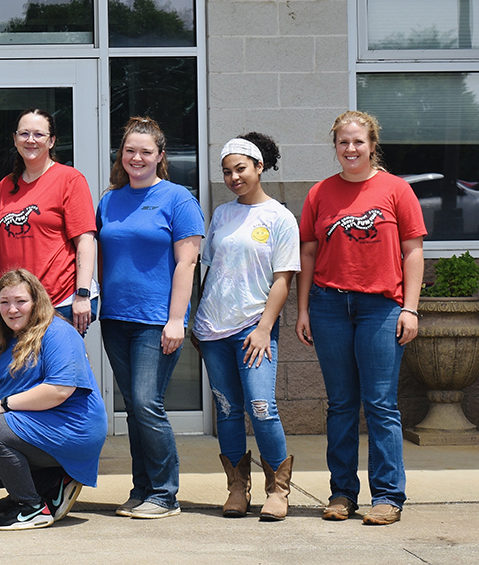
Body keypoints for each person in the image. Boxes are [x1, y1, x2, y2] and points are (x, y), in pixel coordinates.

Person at [295, 111, 425, 526]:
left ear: (372, 145)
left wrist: (411, 308)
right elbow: (309, 254)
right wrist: (302, 309)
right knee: (341, 405)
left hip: (381, 307)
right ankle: (342, 493)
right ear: (335, 146)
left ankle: (387, 496)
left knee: (381, 404)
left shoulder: (396, 190)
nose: (350, 149)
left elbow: (413, 252)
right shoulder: (320, 193)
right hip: (329, 305)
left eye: (358, 142)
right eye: (342, 143)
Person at [96, 116, 204, 520]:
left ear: (160, 156)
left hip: (156, 319)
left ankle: (164, 493)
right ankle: (141, 488)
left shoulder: (178, 199)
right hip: (116, 319)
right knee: (136, 408)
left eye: (145, 151)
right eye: (129, 151)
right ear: (120, 155)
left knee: (146, 402)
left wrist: (176, 320)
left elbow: (186, 264)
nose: (136, 157)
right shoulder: (110, 199)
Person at [193, 133, 299, 520]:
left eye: (241, 169)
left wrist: (264, 327)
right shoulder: (222, 214)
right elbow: (209, 271)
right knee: (227, 409)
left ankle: (278, 488)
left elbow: (283, 278)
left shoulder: (280, 217)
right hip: (213, 328)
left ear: (259, 167)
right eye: (227, 171)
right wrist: (196, 322)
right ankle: (238, 487)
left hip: (253, 327)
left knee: (261, 406)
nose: (234, 177)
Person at [0, 269, 107, 530]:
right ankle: (50, 484)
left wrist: (6, 404)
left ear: (36, 302)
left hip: (73, 426)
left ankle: (31, 508)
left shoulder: (58, 333)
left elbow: (60, 390)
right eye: (4, 302)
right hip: (38, 426)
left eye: (21, 301)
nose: (12, 309)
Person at [0, 108, 98, 334]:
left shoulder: (70, 179)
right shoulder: (4, 186)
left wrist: (82, 294)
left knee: (54, 369)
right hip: (14, 306)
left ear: (52, 141)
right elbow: (12, 243)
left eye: (39, 134)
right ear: (15, 140)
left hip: (58, 302)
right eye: (24, 134)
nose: (31, 140)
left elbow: (85, 240)